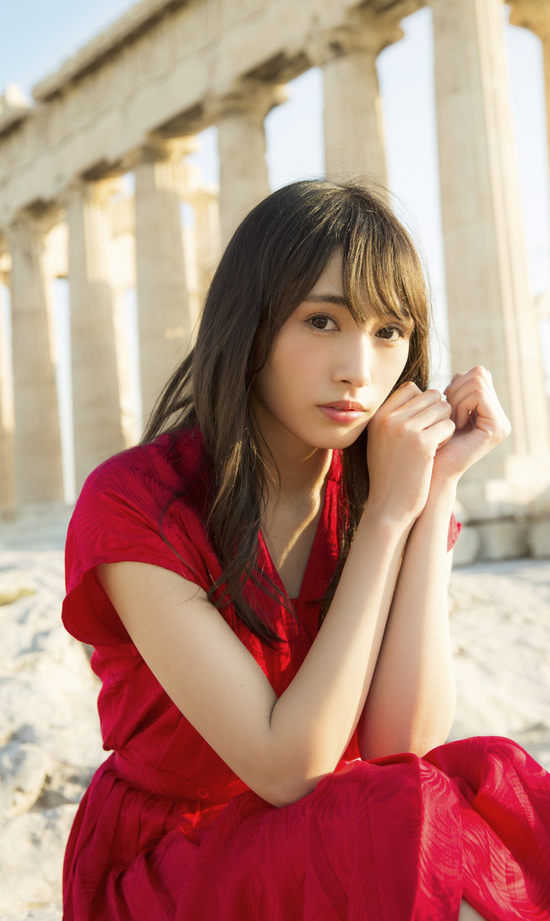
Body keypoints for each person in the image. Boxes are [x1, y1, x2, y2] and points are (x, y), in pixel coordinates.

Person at [62, 180, 550, 920]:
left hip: (333, 828)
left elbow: (401, 742)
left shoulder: (384, 486)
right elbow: (287, 768)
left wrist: (434, 492)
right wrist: (386, 519)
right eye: (322, 321)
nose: (359, 367)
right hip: (173, 862)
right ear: (251, 323)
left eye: (389, 331)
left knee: (493, 779)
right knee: (406, 810)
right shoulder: (139, 501)